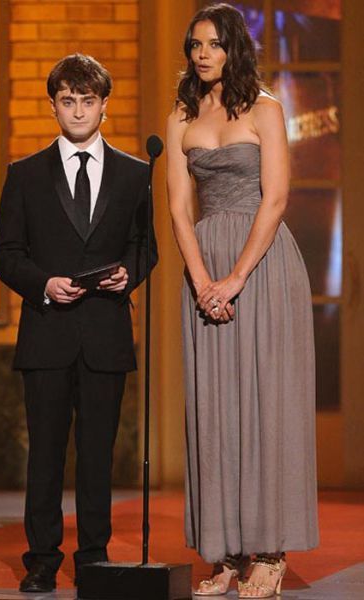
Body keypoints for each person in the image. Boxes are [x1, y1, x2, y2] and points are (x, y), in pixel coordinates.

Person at [167, 4, 318, 598]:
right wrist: (202, 278)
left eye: (213, 44)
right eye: (194, 44)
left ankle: (270, 553)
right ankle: (226, 552)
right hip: (203, 264)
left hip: (263, 266)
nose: (202, 54)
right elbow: (178, 208)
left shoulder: (266, 108)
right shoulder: (181, 114)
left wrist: (233, 278)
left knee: (266, 404)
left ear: (234, 48)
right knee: (215, 408)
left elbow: (275, 198)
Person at [0, 53, 157, 593]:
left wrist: (128, 273)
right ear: (53, 106)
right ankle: (41, 559)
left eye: (88, 100)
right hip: (47, 333)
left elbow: (145, 246)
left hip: (106, 334)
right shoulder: (25, 174)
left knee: (97, 455)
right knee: (44, 454)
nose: (79, 111)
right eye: (68, 101)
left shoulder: (135, 174)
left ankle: (93, 557)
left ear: (105, 105)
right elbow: (5, 252)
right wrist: (44, 283)